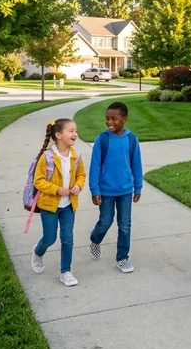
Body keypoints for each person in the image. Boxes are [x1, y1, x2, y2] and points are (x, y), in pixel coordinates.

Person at [88, 101, 143, 273]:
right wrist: (94, 190)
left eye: (114, 119)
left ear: (124, 119)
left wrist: (138, 187)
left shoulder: (131, 139)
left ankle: (122, 258)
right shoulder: (102, 139)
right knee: (105, 222)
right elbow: (95, 166)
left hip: (126, 190)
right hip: (106, 190)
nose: (110, 122)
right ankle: (95, 239)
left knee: (125, 224)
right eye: (107, 119)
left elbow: (137, 165)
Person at [31, 118, 87, 287]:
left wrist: (78, 185)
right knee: (49, 238)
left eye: (75, 131)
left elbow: (81, 175)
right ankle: (37, 252)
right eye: (71, 131)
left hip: (69, 205)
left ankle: (66, 271)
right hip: (50, 205)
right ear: (58, 135)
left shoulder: (76, 156)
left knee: (68, 238)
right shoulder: (47, 157)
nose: (75, 134)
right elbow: (38, 181)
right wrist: (56, 189)